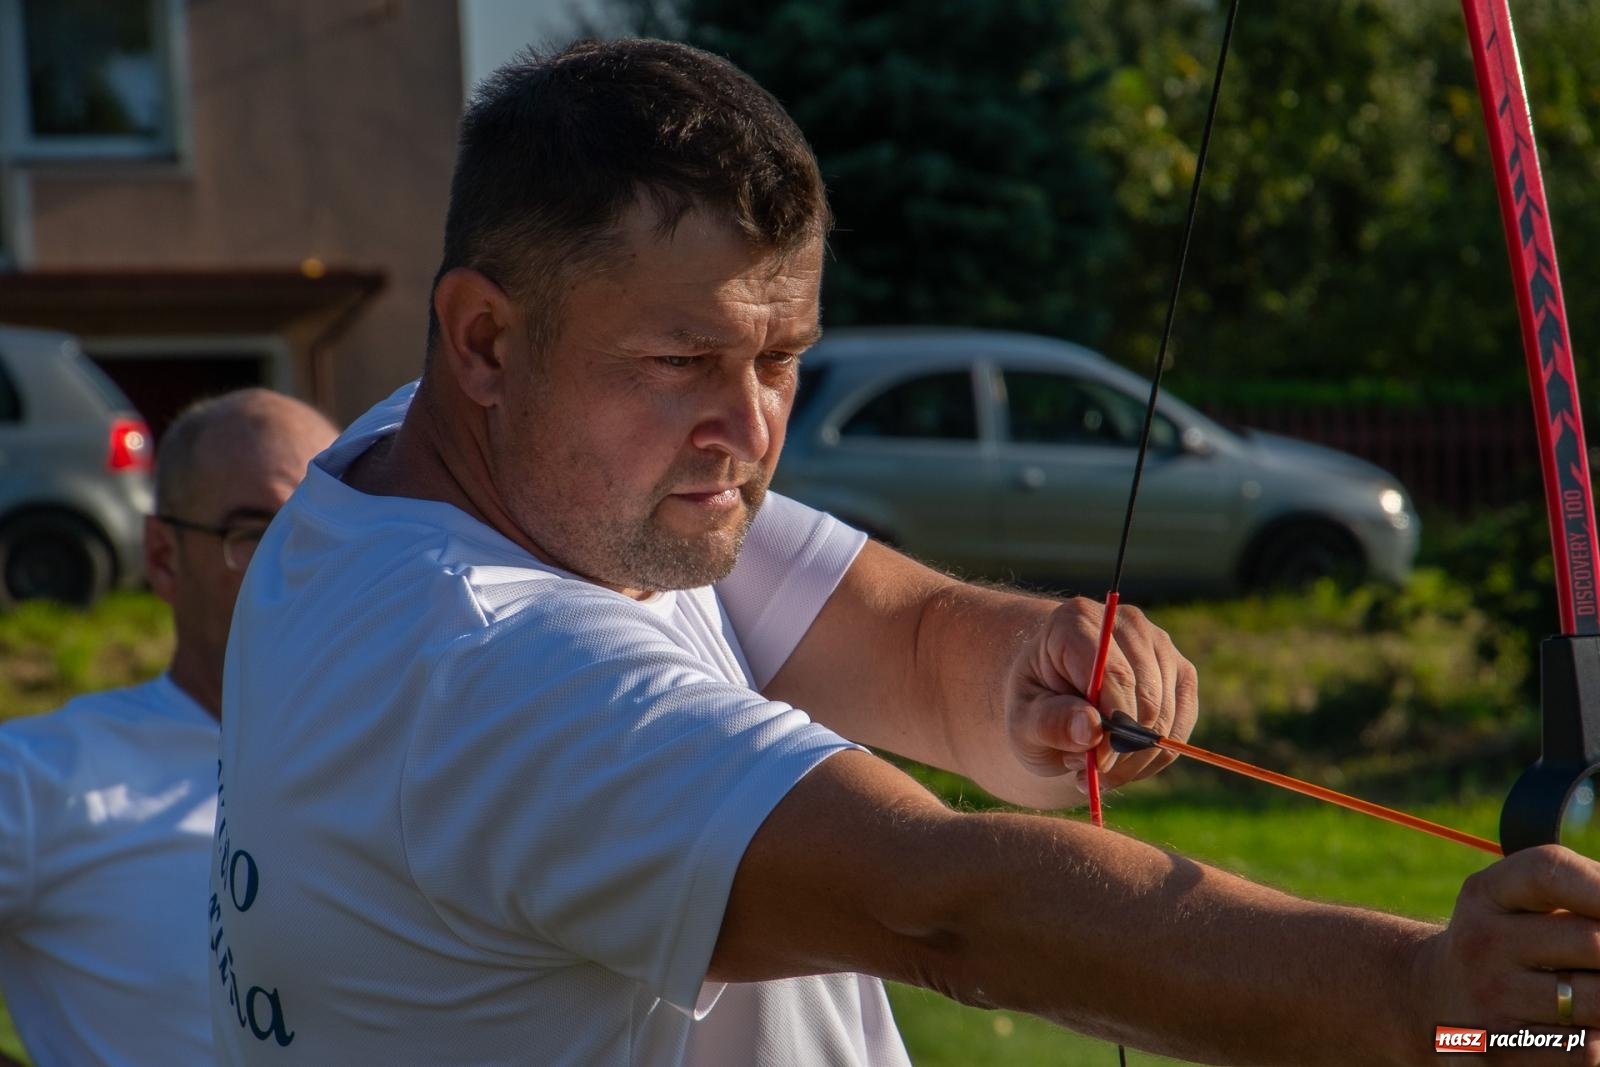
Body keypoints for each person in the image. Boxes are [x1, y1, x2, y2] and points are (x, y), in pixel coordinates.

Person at [210, 39, 1600, 1067]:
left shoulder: (423, 466)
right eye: (682, 360)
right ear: (485, 339)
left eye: (781, 357)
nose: (749, 428)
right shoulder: (484, 667)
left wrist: (1020, 676)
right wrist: (1434, 1004)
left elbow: (903, 633)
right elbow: (947, 906)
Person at [0, 389, 336, 1067]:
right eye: (254, 534)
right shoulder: (44, 779)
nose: (299, 564)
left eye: (325, 532)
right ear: (162, 555)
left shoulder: (422, 764)